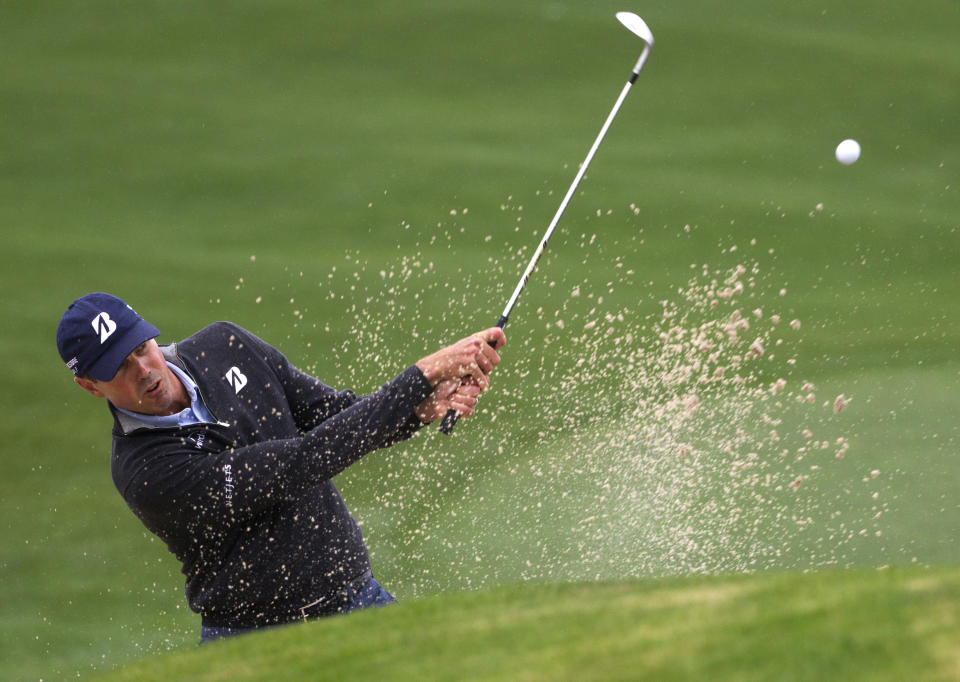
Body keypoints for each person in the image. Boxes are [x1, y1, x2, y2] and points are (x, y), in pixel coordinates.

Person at [56, 292, 505, 642]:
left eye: (141, 347)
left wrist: (420, 409)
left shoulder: (222, 344)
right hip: (256, 637)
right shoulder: (146, 472)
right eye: (119, 366)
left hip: (357, 597)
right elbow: (301, 462)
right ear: (89, 386)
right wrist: (420, 376)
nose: (144, 369)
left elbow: (332, 415)